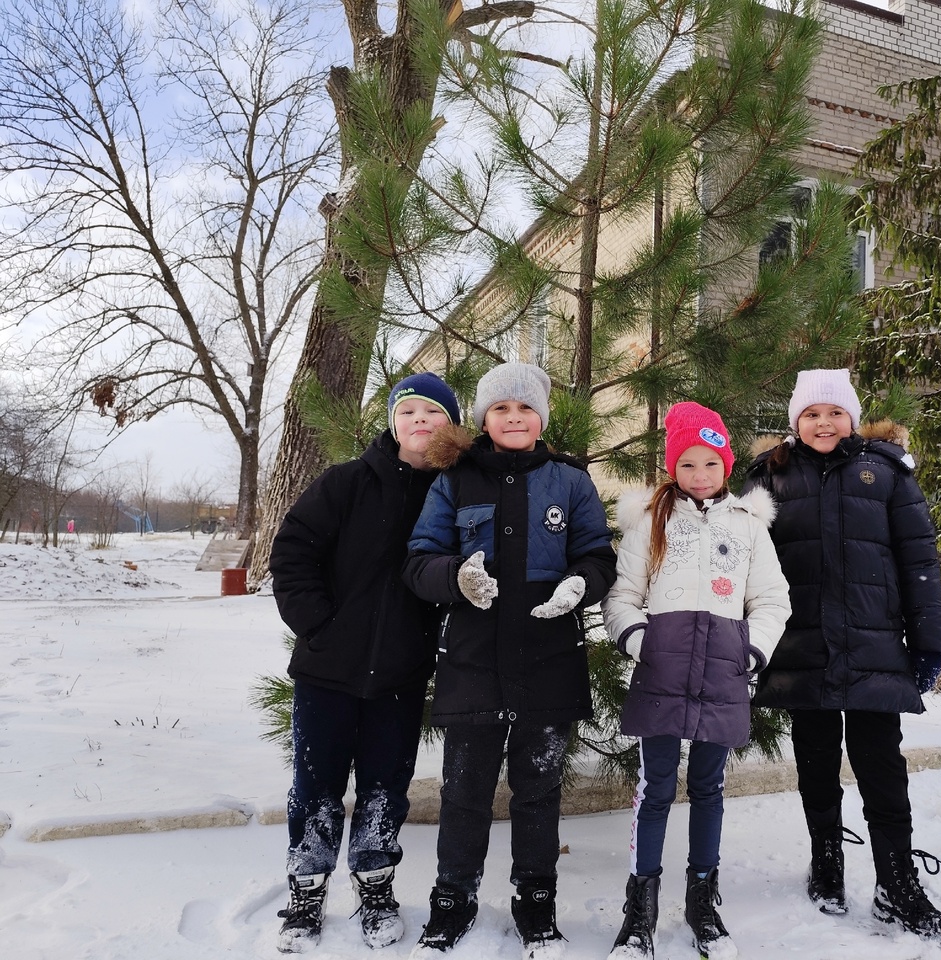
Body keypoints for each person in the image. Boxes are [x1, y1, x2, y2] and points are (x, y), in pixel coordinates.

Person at [401, 362, 617, 959]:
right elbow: (419, 559)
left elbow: (599, 557)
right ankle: (453, 898)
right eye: (501, 408)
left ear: (541, 417)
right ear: (483, 419)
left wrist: (581, 584)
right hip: (473, 660)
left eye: (525, 408)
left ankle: (536, 900)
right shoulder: (456, 480)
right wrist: (455, 576)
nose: (514, 417)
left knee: (538, 789)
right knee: (465, 790)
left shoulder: (570, 483)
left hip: (548, 657)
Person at [741, 369, 941, 945]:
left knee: (881, 766)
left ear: (852, 418)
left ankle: (897, 880)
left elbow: (919, 561)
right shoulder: (768, 480)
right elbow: (740, 569)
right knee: (815, 762)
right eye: (811, 414)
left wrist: (930, 643)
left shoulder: (885, 473)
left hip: (874, 646)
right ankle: (827, 861)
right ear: (795, 421)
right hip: (802, 645)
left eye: (834, 413)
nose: (823, 423)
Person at [268, 371, 462, 953]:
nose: (420, 422)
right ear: (392, 422)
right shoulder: (347, 482)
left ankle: (376, 888)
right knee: (316, 785)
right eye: (409, 412)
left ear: (451, 424)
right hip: (327, 671)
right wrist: (318, 625)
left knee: (385, 787)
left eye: (433, 412)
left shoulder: (453, 493)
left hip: (400, 677)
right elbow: (292, 549)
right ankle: (306, 890)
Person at [601, 402, 791, 960]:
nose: (701, 475)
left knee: (709, 788)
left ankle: (703, 902)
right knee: (655, 788)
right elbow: (623, 597)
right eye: (688, 464)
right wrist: (641, 642)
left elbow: (772, 599)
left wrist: (752, 651)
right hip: (663, 671)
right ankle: (641, 911)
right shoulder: (650, 522)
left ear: (727, 464)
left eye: (711, 463)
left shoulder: (750, 527)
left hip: (725, 673)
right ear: (672, 468)